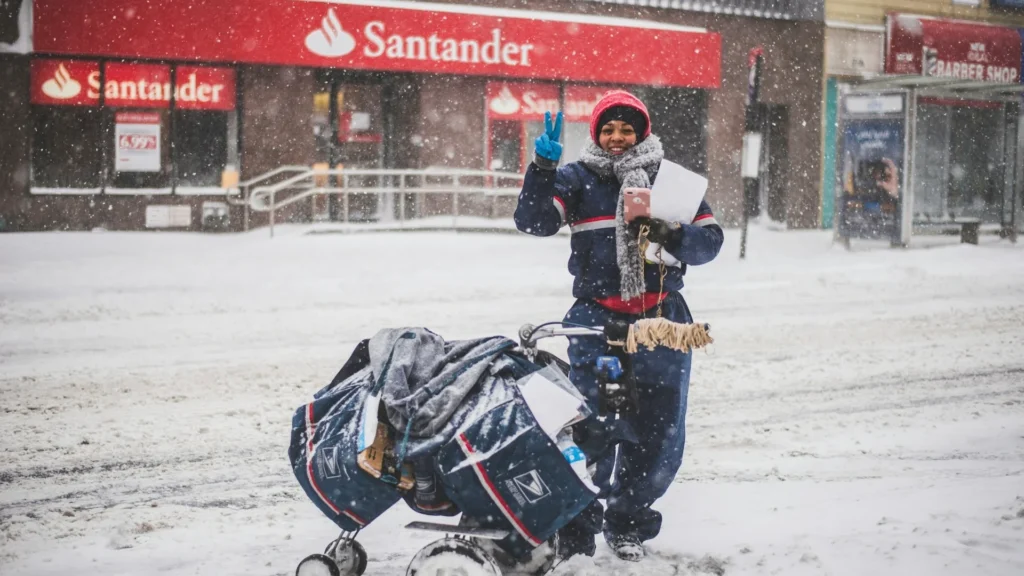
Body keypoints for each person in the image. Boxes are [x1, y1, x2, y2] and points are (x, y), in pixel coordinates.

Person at [513, 90, 723, 562]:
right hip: (598, 324)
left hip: (663, 323)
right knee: (596, 428)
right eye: (608, 128)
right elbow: (533, 222)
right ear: (596, 133)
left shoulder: (673, 182)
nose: (616, 137)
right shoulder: (576, 180)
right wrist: (542, 170)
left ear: (642, 132)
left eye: (626, 129)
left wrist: (665, 231)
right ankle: (578, 529)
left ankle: (627, 522)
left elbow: (710, 243)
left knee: (659, 433)